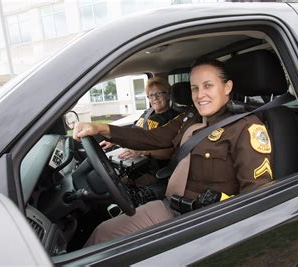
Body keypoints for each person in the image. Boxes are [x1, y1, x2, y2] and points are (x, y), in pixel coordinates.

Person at [73, 58, 273, 246]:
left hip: (206, 221)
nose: (199, 94)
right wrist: (102, 129)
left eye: (208, 86)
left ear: (227, 87)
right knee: (103, 234)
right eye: (194, 88)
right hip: (173, 205)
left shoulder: (246, 128)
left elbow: (256, 194)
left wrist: (220, 211)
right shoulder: (191, 117)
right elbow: (152, 137)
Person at [100, 77, 179, 160]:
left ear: (167, 95)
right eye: (151, 95)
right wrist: (115, 141)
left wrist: (142, 151)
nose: (155, 98)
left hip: (151, 163)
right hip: (133, 154)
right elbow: (133, 133)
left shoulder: (175, 118)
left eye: (159, 93)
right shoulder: (147, 112)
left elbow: (170, 153)